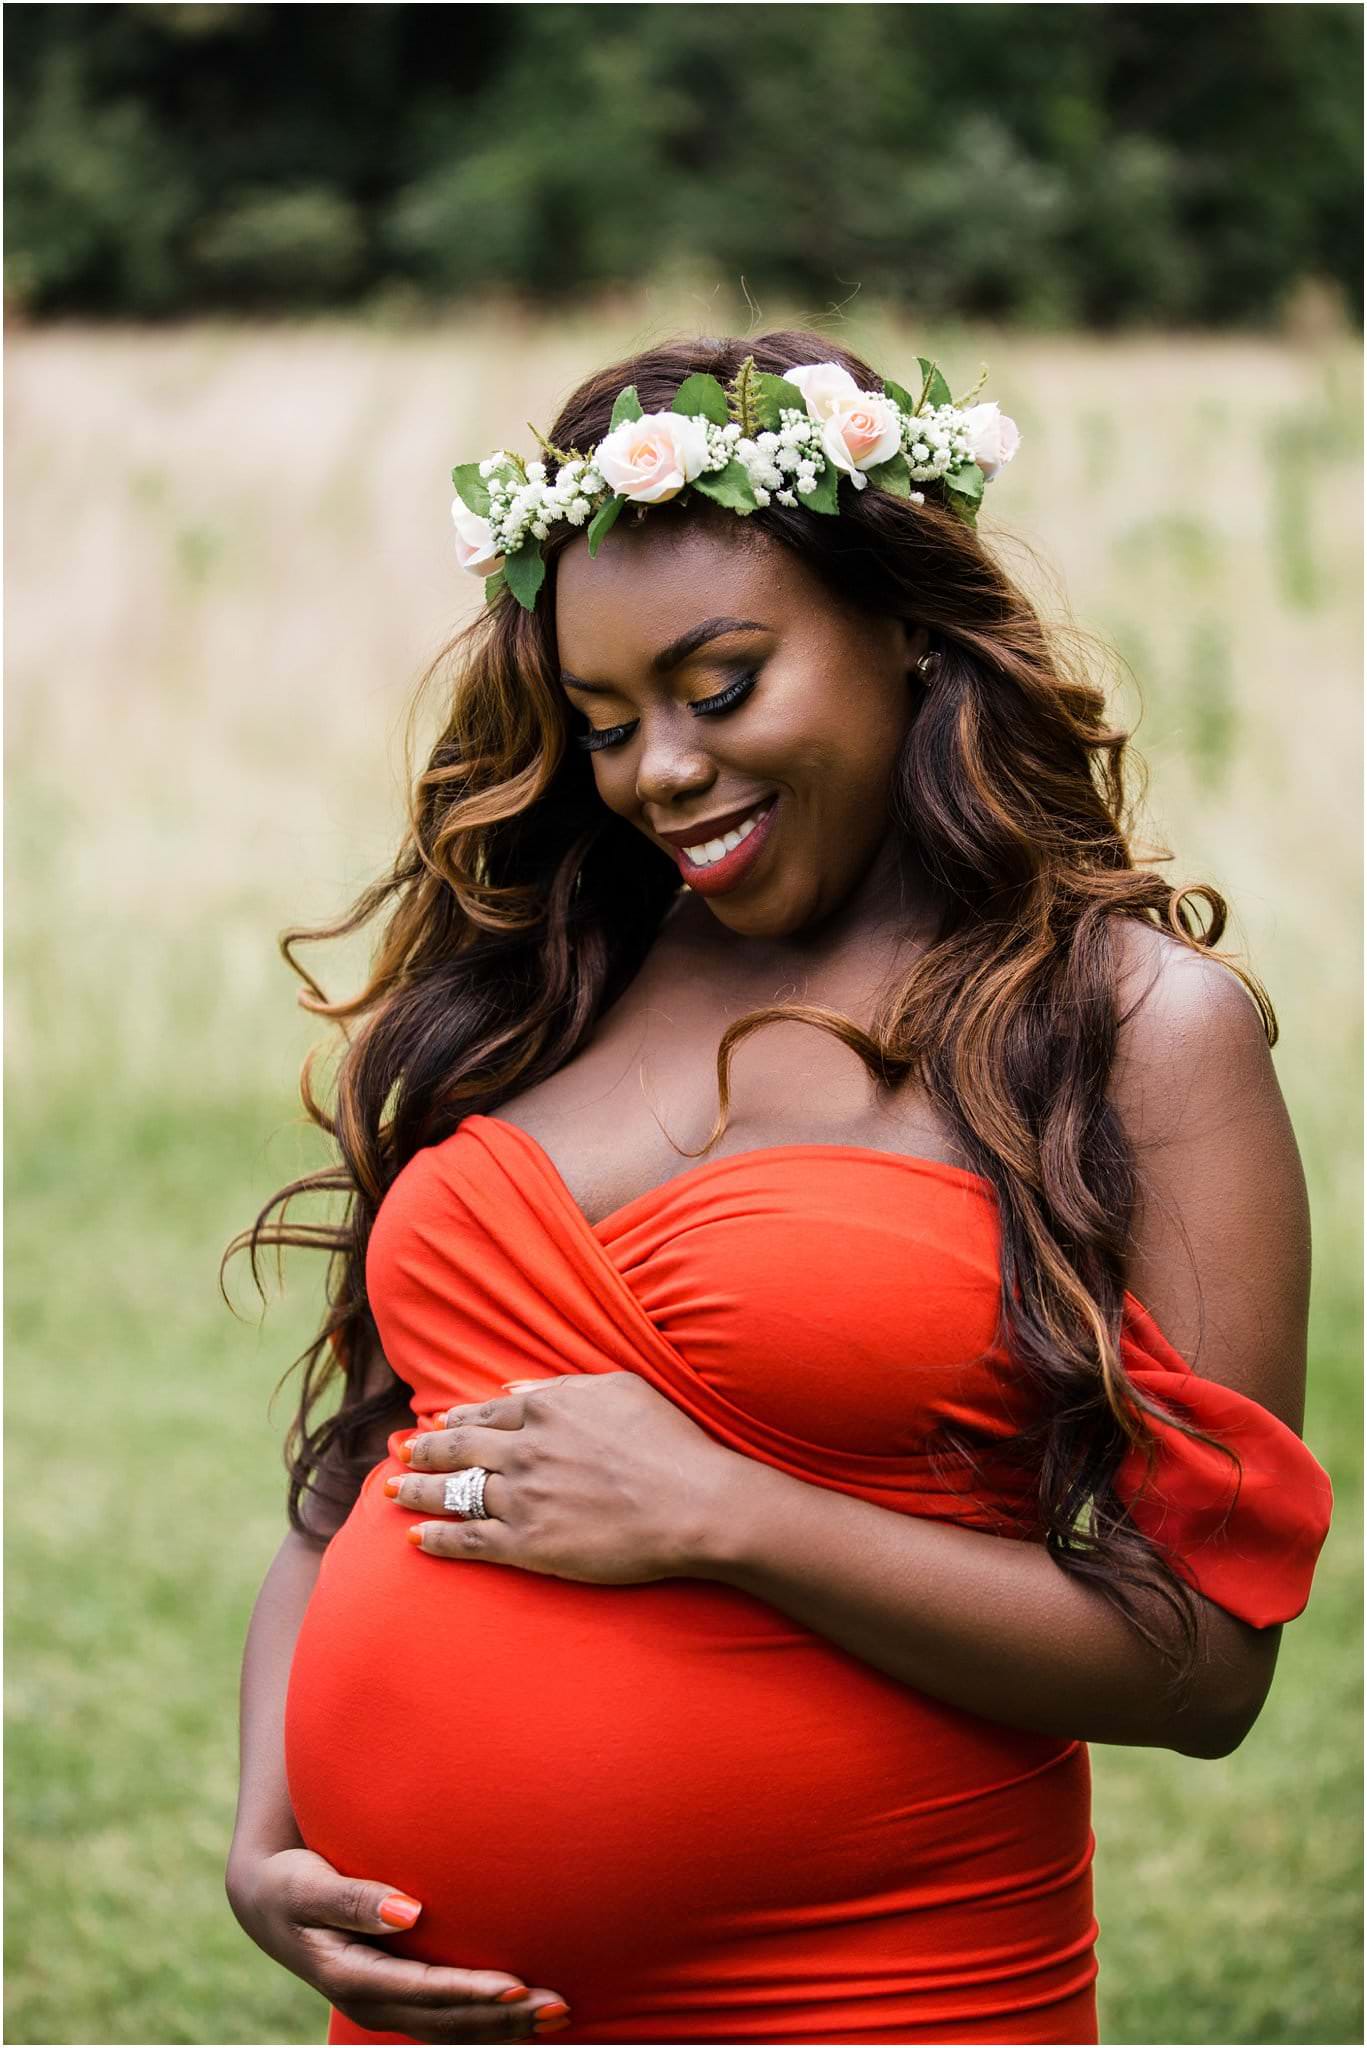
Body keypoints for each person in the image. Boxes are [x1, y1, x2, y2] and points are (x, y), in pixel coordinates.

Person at [224, 331, 1334, 2047]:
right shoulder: (553, 980)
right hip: (439, 2008)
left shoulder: (1127, 1032)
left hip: (873, 1986)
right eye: (601, 723)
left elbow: (1205, 1664)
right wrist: (269, 1829)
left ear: (904, 625)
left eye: (720, 685)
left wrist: (725, 1510)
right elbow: (375, 1451)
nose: (656, 769)